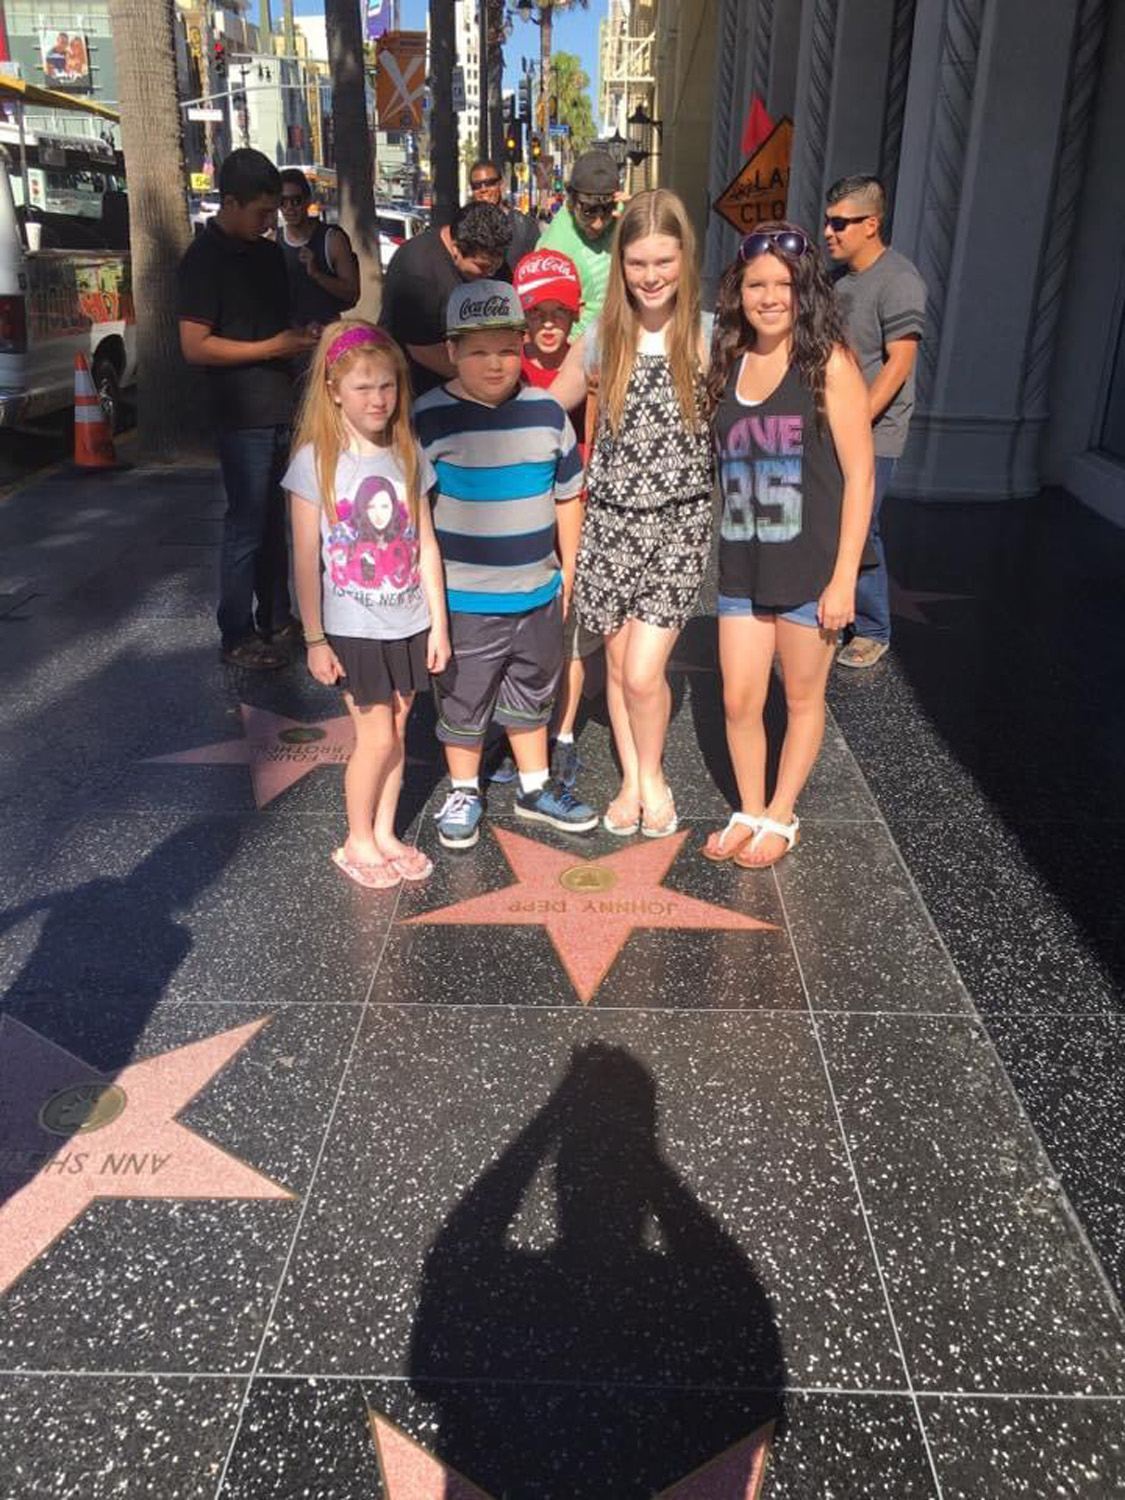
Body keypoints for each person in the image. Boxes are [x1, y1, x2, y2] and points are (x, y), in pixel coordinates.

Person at [700, 223, 874, 868]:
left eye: (784, 284)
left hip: (810, 567)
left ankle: (781, 813)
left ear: (806, 292)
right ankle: (749, 808)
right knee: (739, 700)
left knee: (801, 699)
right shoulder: (727, 362)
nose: (770, 297)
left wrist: (845, 577)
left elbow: (861, 476)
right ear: (738, 292)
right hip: (743, 565)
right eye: (757, 285)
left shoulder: (829, 363)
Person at [549, 189, 715, 840]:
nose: (650, 276)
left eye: (663, 261)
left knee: (644, 672)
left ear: (685, 258)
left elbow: (756, 418)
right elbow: (550, 403)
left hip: (678, 528)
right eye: (637, 262)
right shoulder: (603, 336)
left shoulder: (708, 336)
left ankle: (655, 774)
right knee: (618, 669)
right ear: (620, 264)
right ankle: (634, 781)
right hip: (610, 524)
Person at [413, 281, 598, 850]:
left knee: (532, 688)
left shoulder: (547, 412)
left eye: (506, 350)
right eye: (477, 351)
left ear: (523, 347)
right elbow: (417, 514)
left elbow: (567, 496)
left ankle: (535, 786)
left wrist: (569, 571)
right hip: (466, 598)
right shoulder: (428, 417)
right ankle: (464, 788)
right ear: (451, 351)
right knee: (465, 696)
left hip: (537, 590)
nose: (494, 364)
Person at [284, 321, 449, 889]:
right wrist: (313, 638)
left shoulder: (407, 452)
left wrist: (438, 626)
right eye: (363, 388)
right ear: (334, 391)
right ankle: (356, 838)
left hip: (409, 620)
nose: (378, 399)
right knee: (375, 737)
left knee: (398, 733)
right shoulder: (316, 461)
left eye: (387, 386)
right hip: (353, 627)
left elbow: (426, 544)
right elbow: (305, 557)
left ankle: (383, 831)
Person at [177, 148, 318, 670]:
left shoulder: (267, 254)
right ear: (230, 202)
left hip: (280, 403)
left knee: (276, 521)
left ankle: (276, 616)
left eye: (273, 212)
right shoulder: (203, 259)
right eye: (261, 212)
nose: (269, 222)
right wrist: (270, 348)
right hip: (240, 414)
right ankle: (236, 633)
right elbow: (195, 346)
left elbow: (276, 323)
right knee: (246, 525)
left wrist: (301, 337)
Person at [823, 173, 926, 668]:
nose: (829, 232)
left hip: (875, 432)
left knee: (862, 524)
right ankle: (838, 609)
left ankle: (872, 628)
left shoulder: (899, 279)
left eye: (840, 223)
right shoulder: (836, 280)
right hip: (834, 425)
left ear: (871, 224)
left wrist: (855, 421)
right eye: (828, 222)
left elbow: (899, 363)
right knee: (834, 518)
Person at [512, 248, 599, 790]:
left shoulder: (590, 361)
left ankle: (562, 733)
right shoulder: (506, 363)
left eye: (559, 313)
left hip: (575, 510)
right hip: (520, 517)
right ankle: (519, 731)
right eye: (537, 313)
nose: (548, 325)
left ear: (576, 313)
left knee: (571, 630)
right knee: (519, 634)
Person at [378, 201, 512, 399]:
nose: (490, 274)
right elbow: (422, 349)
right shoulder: (417, 270)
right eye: (482, 267)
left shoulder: (489, 258)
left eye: (495, 267)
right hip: (418, 387)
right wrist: (484, 383)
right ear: (456, 248)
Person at [539, 150, 620, 340]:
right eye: (588, 212)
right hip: (578, 348)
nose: (598, 223)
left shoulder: (622, 218)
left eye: (606, 210)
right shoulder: (553, 249)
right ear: (571, 201)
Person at [277, 168, 360, 331]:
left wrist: (316, 274)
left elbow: (352, 293)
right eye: (283, 201)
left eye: (296, 200)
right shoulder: (273, 240)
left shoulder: (332, 239)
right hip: (289, 336)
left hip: (325, 335)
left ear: (308, 200)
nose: (289, 208)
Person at [467, 157, 539, 269]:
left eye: (489, 183)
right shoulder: (465, 226)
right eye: (476, 186)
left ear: (501, 185)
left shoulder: (525, 226)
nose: (483, 189)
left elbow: (534, 270)